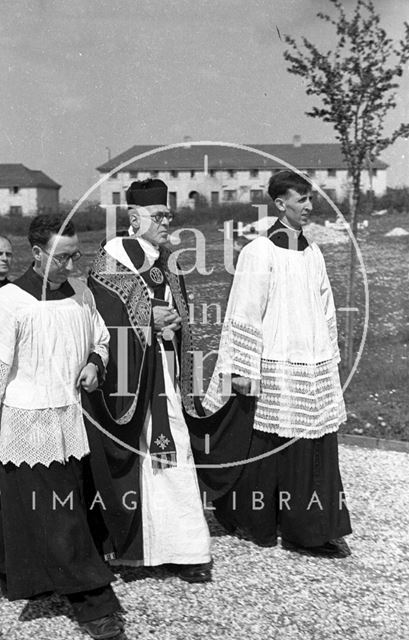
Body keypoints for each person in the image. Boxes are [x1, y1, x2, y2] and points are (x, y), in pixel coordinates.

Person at [204, 170, 352, 557]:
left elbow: (326, 308)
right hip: (275, 361)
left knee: (315, 444)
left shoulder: (312, 251)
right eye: (300, 199)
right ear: (279, 203)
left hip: (313, 362)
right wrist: (241, 371)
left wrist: (328, 356)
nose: (309, 206)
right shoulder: (259, 252)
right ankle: (263, 523)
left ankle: (313, 528)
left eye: (310, 198)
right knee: (273, 444)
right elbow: (244, 313)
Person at [0, 215, 126, 640]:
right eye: (62, 257)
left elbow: (100, 338)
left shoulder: (81, 292)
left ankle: (33, 579)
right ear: (37, 253)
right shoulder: (10, 300)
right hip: (29, 422)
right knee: (59, 515)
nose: (71, 266)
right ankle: (96, 606)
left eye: (75, 256)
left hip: (73, 419)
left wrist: (95, 363)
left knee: (60, 510)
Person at [85, 179, 212, 582]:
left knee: (173, 450)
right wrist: (148, 320)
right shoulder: (114, 255)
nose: (165, 222)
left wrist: (173, 319)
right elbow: (103, 314)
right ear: (134, 218)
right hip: (131, 377)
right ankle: (136, 552)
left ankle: (186, 549)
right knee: (140, 456)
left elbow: (174, 307)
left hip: (164, 369)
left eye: (168, 215)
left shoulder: (165, 258)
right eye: (157, 216)